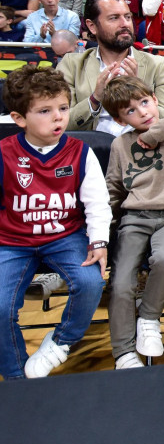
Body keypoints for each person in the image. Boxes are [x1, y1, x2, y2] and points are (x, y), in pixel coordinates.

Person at [0, 64, 108, 383]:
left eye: (62, 107)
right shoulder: (4, 152)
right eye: (45, 111)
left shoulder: (80, 151)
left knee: (90, 282)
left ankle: (61, 341)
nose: (59, 116)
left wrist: (99, 242)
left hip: (65, 236)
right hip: (13, 241)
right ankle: (16, 377)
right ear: (19, 118)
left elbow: (97, 202)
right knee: (1, 308)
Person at [102, 77, 164, 369]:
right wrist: (101, 232)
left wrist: (153, 136)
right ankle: (123, 351)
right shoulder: (120, 144)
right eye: (131, 111)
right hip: (134, 218)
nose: (142, 112)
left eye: (145, 102)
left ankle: (149, 316)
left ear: (155, 99)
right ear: (119, 120)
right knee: (120, 281)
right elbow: (114, 189)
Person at [56, 0, 164, 134]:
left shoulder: (160, 65)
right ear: (92, 26)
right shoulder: (72, 65)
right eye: (114, 18)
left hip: (144, 149)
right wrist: (95, 99)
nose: (125, 24)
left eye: (127, 17)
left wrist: (137, 91)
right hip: (92, 148)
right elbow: (61, 123)